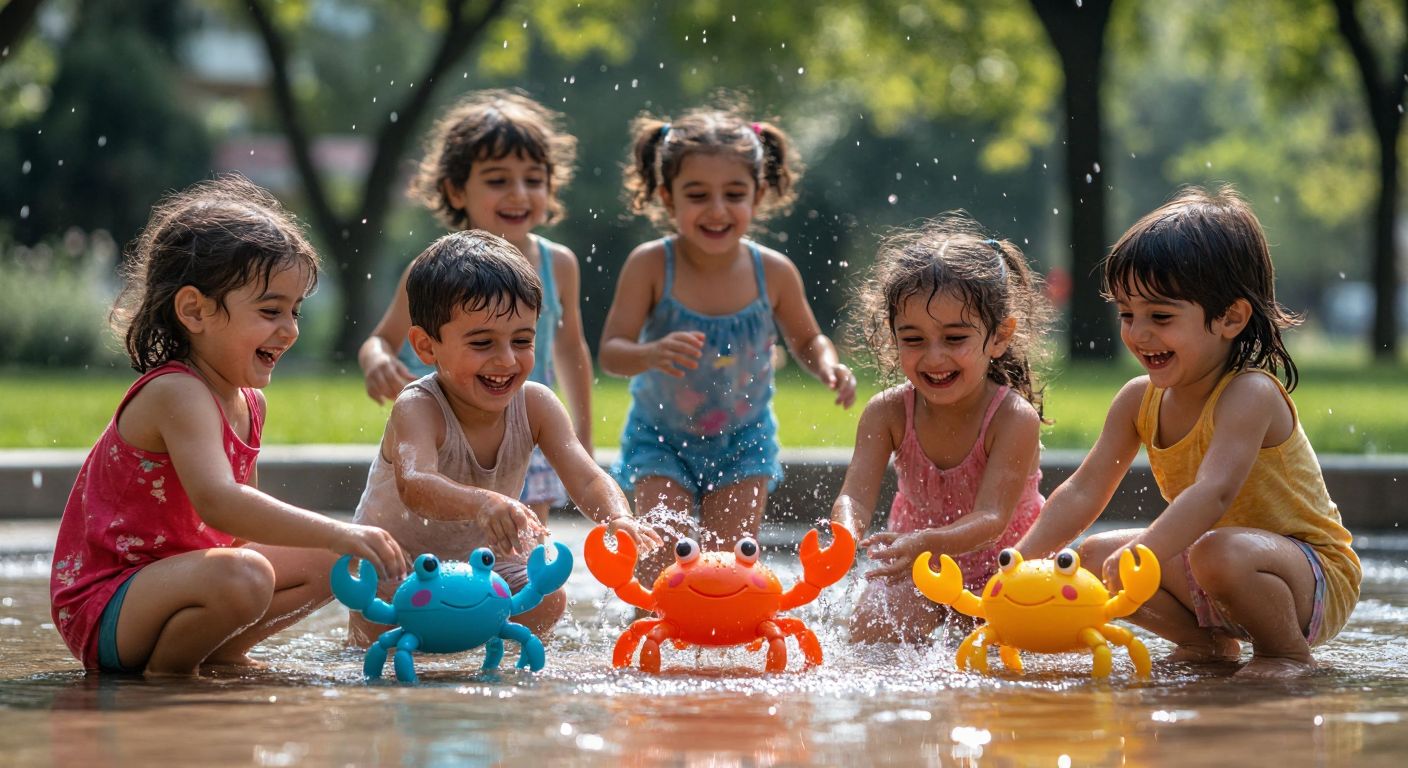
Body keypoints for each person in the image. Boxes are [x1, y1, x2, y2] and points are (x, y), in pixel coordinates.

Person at [49, 175, 408, 676]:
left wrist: (338, 542)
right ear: (195, 310)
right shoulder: (177, 392)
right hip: (108, 605)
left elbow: (237, 535)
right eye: (269, 310)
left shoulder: (248, 402)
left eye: (295, 310)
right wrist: (334, 531)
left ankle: (220, 652)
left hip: (187, 583)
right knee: (249, 576)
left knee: (334, 563)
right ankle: (169, 676)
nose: (290, 329)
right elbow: (221, 503)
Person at [1016, 186, 1362, 678]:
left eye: (1160, 316)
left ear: (1230, 317)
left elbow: (1213, 493)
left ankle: (1284, 653)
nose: (1138, 334)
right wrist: (1020, 562)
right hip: (1215, 565)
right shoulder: (1139, 399)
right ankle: (1207, 646)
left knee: (1214, 551)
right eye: (1127, 315)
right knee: (1090, 558)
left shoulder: (1249, 394)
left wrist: (1148, 549)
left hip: (1311, 578)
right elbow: (1082, 490)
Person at [349, 230, 662, 645]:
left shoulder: (535, 405)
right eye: (482, 343)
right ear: (427, 346)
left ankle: (483, 654)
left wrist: (617, 516)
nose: (507, 360)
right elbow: (415, 485)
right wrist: (484, 503)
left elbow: (586, 477)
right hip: (399, 567)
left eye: (522, 340)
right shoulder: (419, 406)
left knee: (547, 599)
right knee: (383, 628)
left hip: (485, 565)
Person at [599, 100, 857, 579]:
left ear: (757, 197)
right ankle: (646, 645)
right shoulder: (652, 266)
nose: (717, 210)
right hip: (661, 441)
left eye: (733, 194)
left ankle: (724, 654)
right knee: (659, 566)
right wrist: (650, 353)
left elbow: (807, 339)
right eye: (697, 194)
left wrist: (827, 365)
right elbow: (612, 352)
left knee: (727, 571)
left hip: (744, 443)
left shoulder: (773, 273)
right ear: (667, 196)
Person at [358, 89, 591, 527]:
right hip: (452, 429)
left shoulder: (557, 264)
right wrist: (376, 362)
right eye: (499, 180)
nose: (519, 194)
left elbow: (572, 350)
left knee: (525, 550)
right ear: (456, 189)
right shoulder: (432, 272)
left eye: (534, 179)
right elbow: (380, 339)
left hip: (526, 432)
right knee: (443, 531)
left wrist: (583, 437)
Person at [829, 214, 1054, 643]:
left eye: (954, 339)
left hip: (1006, 567)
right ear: (891, 337)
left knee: (1010, 658)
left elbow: (991, 518)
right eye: (913, 339)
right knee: (871, 635)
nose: (934, 359)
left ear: (1000, 336)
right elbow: (854, 496)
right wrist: (844, 534)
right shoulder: (888, 412)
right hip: (920, 565)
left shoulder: (1011, 418)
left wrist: (923, 541)